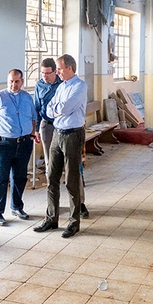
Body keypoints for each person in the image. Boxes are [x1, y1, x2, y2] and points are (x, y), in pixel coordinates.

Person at [34, 54, 87, 238]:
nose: (57, 72)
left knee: (71, 179)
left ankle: (74, 222)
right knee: (51, 177)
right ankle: (51, 218)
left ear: (70, 68)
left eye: (59, 69)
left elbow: (65, 108)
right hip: (57, 133)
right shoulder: (62, 86)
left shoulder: (80, 86)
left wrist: (58, 109)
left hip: (72, 134)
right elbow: (49, 108)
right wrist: (58, 109)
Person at [0, 69, 35, 226]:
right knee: (0, 179)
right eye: (11, 81)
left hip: (24, 143)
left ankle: (17, 207)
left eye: (17, 81)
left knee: (20, 177)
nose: (14, 84)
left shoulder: (27, 97)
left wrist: (32, 133)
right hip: (4, 144)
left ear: (22, 81)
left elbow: (33, 118)